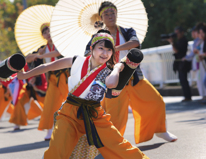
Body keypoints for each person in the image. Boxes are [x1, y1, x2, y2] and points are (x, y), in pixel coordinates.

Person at [17, 30, 148, 159]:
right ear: (91, 48)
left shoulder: (108, 70)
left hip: (95, 114)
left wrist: (117, 68)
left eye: (109, 50)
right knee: (58, 149)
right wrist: (25, 75)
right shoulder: (76, 61)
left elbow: (112, 84)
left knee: (117, 145)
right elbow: (48, 67)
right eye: (101, 48)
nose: (105, 53)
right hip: (69, 112)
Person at [84, 1, 177, 146]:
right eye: (106, 14)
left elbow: (135, 43)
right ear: (101, 18)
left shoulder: (127, 31)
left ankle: (160, 129)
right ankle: (111, 143)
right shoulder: (97, 37)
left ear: (116, 14)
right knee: (115, 115)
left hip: (132, 74)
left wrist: (114, 47)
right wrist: (101, 50)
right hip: (112, 79)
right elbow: (87, 53)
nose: (110, 16)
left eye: (112, 13)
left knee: (156, 101)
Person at [31, 23, 69, 140]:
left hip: (65, 76)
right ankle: (49, 130)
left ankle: (77, 128)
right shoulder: (43, 49)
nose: (48, 34)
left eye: (49, 31)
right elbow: (31, 60)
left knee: (71, 102)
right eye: (45, 32)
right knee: (50, 104)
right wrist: (36, 55)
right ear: (43, 35)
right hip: (52, 78)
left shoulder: (61, 43)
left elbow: (57, 53)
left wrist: (41, 56)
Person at [9, 63, 47, 130]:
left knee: (47, 104)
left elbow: (43, 70)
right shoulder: (24, 63)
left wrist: (35, 78)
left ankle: (48, 122)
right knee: (20, 100)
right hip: (28, 87)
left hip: (39, 86)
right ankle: (18, 122)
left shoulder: (38, 58)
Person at [168, 26, 192, 102]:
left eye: (177, 33)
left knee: (183, 79)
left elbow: (177, 51)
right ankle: (187, 96)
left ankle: (187, 96)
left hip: (183, 63)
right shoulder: (178, 40)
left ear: (182, 32)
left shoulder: (183, 40)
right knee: (182, 80)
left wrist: (172, 42)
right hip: (179, 62)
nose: (176, 34)